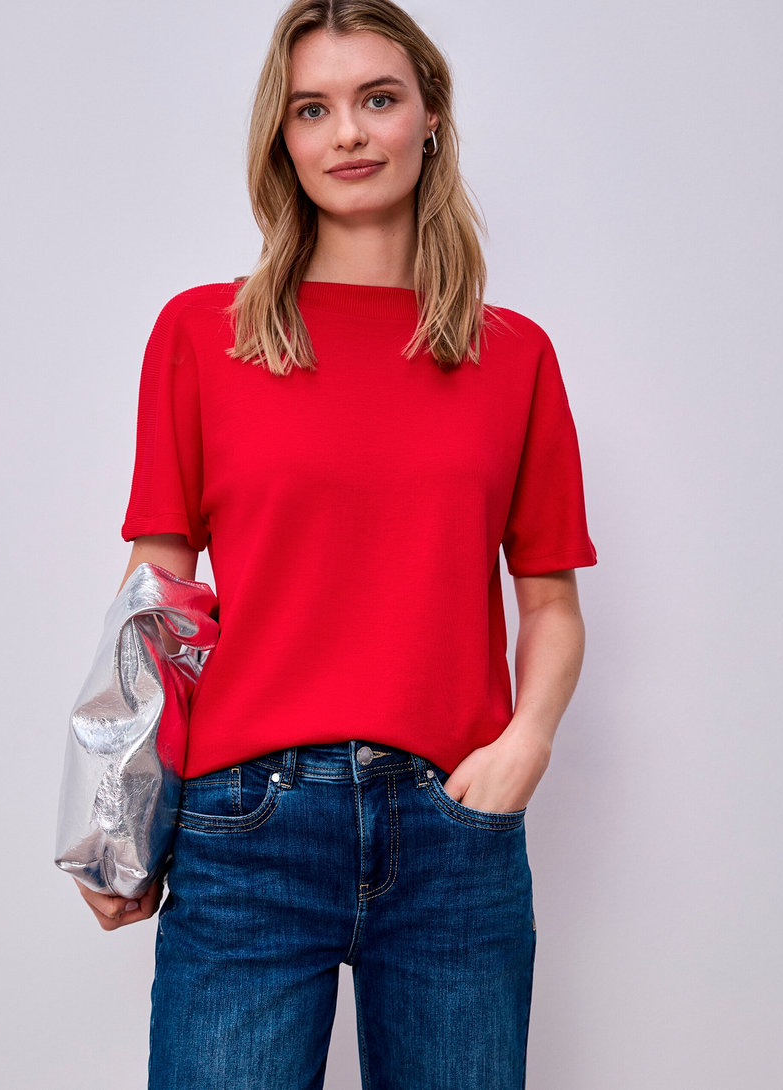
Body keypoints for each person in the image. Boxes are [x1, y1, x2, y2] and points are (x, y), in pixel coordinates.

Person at [73, 1, 596, 1086]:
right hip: (245, 828)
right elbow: (156, 593)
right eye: (314, 109)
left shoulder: (515, 359)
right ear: (285, 139)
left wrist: (524, 748)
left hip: (456, 829)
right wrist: (114, 820)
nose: (347, 134)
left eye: (377, 100)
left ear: (430, 119)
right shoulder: (201, 336)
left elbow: (547, 602)